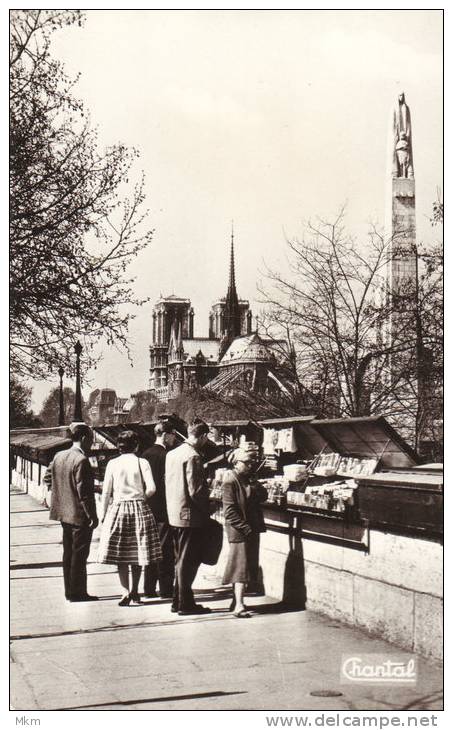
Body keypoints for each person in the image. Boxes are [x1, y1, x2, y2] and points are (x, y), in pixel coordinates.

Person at [98, 430, 163, 606]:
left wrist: (102, 514)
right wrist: (141, 496)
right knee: (138, 552)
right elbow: (152, 488)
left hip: (118, 508)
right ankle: (135, 592)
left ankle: (124, 591)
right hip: (139, 508)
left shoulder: (112, 463)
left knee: (121, 554)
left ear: (119, 446)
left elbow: (106, 492)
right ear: (136, 445)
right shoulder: (142, 462)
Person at [46, 422, 99, 602]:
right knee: (80, 554)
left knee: (68, 553)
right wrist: (92, 516)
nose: (91, 443)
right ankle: (78, 592)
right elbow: (85, 494)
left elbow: (48, 476)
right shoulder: (81, 460)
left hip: (63, 513)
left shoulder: (59, 455)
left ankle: (69, 591)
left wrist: (58, 493)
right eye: (91, 439)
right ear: (84, 438)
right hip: (79, 515)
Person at [165, 419, 211, 615]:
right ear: (202, 436)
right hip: (190, 515)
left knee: (180, 558)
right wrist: (208, 505)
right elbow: (195, 490)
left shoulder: (172, 454)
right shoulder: (193, 456)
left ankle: (179, 601)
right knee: (188, 560)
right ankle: (185, 603)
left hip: (174, 513)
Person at [222, 443, 267, 618]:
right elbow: (229, 511)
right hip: (240, 531)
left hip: (250, 529)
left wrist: (255, 483)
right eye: (247, 462)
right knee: (240, 568)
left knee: (247, 566)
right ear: (236, 462)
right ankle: (239, 605)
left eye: (252, 462)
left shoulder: (247, 478)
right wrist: (245, 528)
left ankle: (236, 601)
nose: (250, 465)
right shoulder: (230, 480)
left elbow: (263, 496)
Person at [141, 421, 177, 598]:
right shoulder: (167, 456)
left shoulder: (145, 454)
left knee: (149, 548)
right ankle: (165, 588)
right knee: (165, 550)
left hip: (148, 508)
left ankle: (148, 588)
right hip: (164, 509)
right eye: (173, 434)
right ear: (165, 434)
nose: (175, 438)